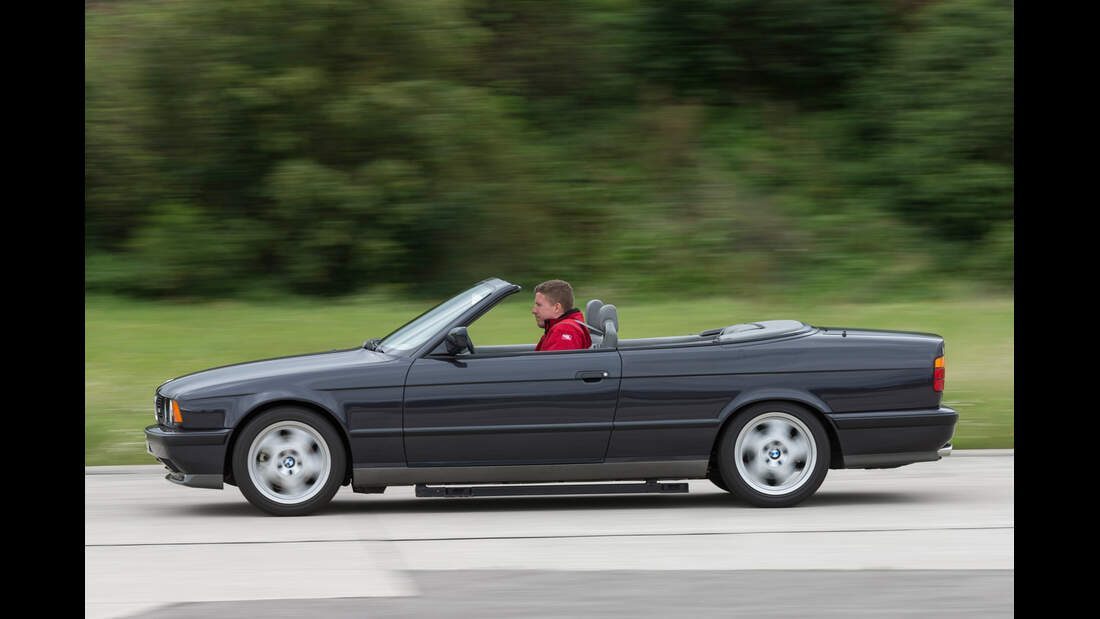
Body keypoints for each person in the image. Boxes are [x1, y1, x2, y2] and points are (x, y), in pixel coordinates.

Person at [532, 279, 592, 351]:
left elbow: (556, 362)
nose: (533, 311)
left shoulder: (564, 330)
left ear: (557, 307)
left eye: (539, 305)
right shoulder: (555, 328)